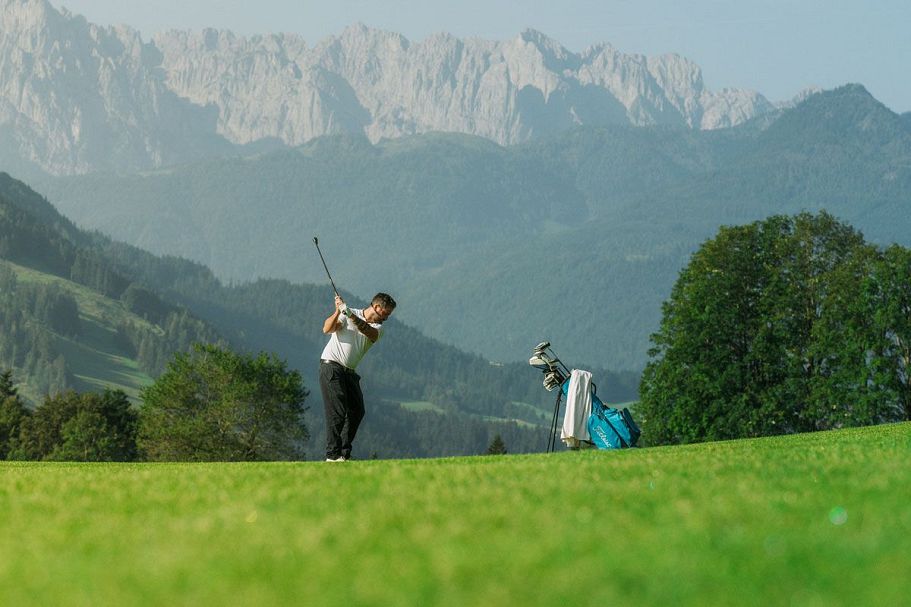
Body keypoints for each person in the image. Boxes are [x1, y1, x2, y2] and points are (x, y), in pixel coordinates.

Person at [319, 292, 396, 462]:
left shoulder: (377, 328)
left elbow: (366, 330)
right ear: (377, 307)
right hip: (331, 366)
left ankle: (344, 454)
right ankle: (332, 455)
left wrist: (349, 314)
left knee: (357, 411)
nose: (387, 317)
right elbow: (327, 329)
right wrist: (338, 311)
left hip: (349, 373)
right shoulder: (347, 314)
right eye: (386, 313)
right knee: (337, 412)